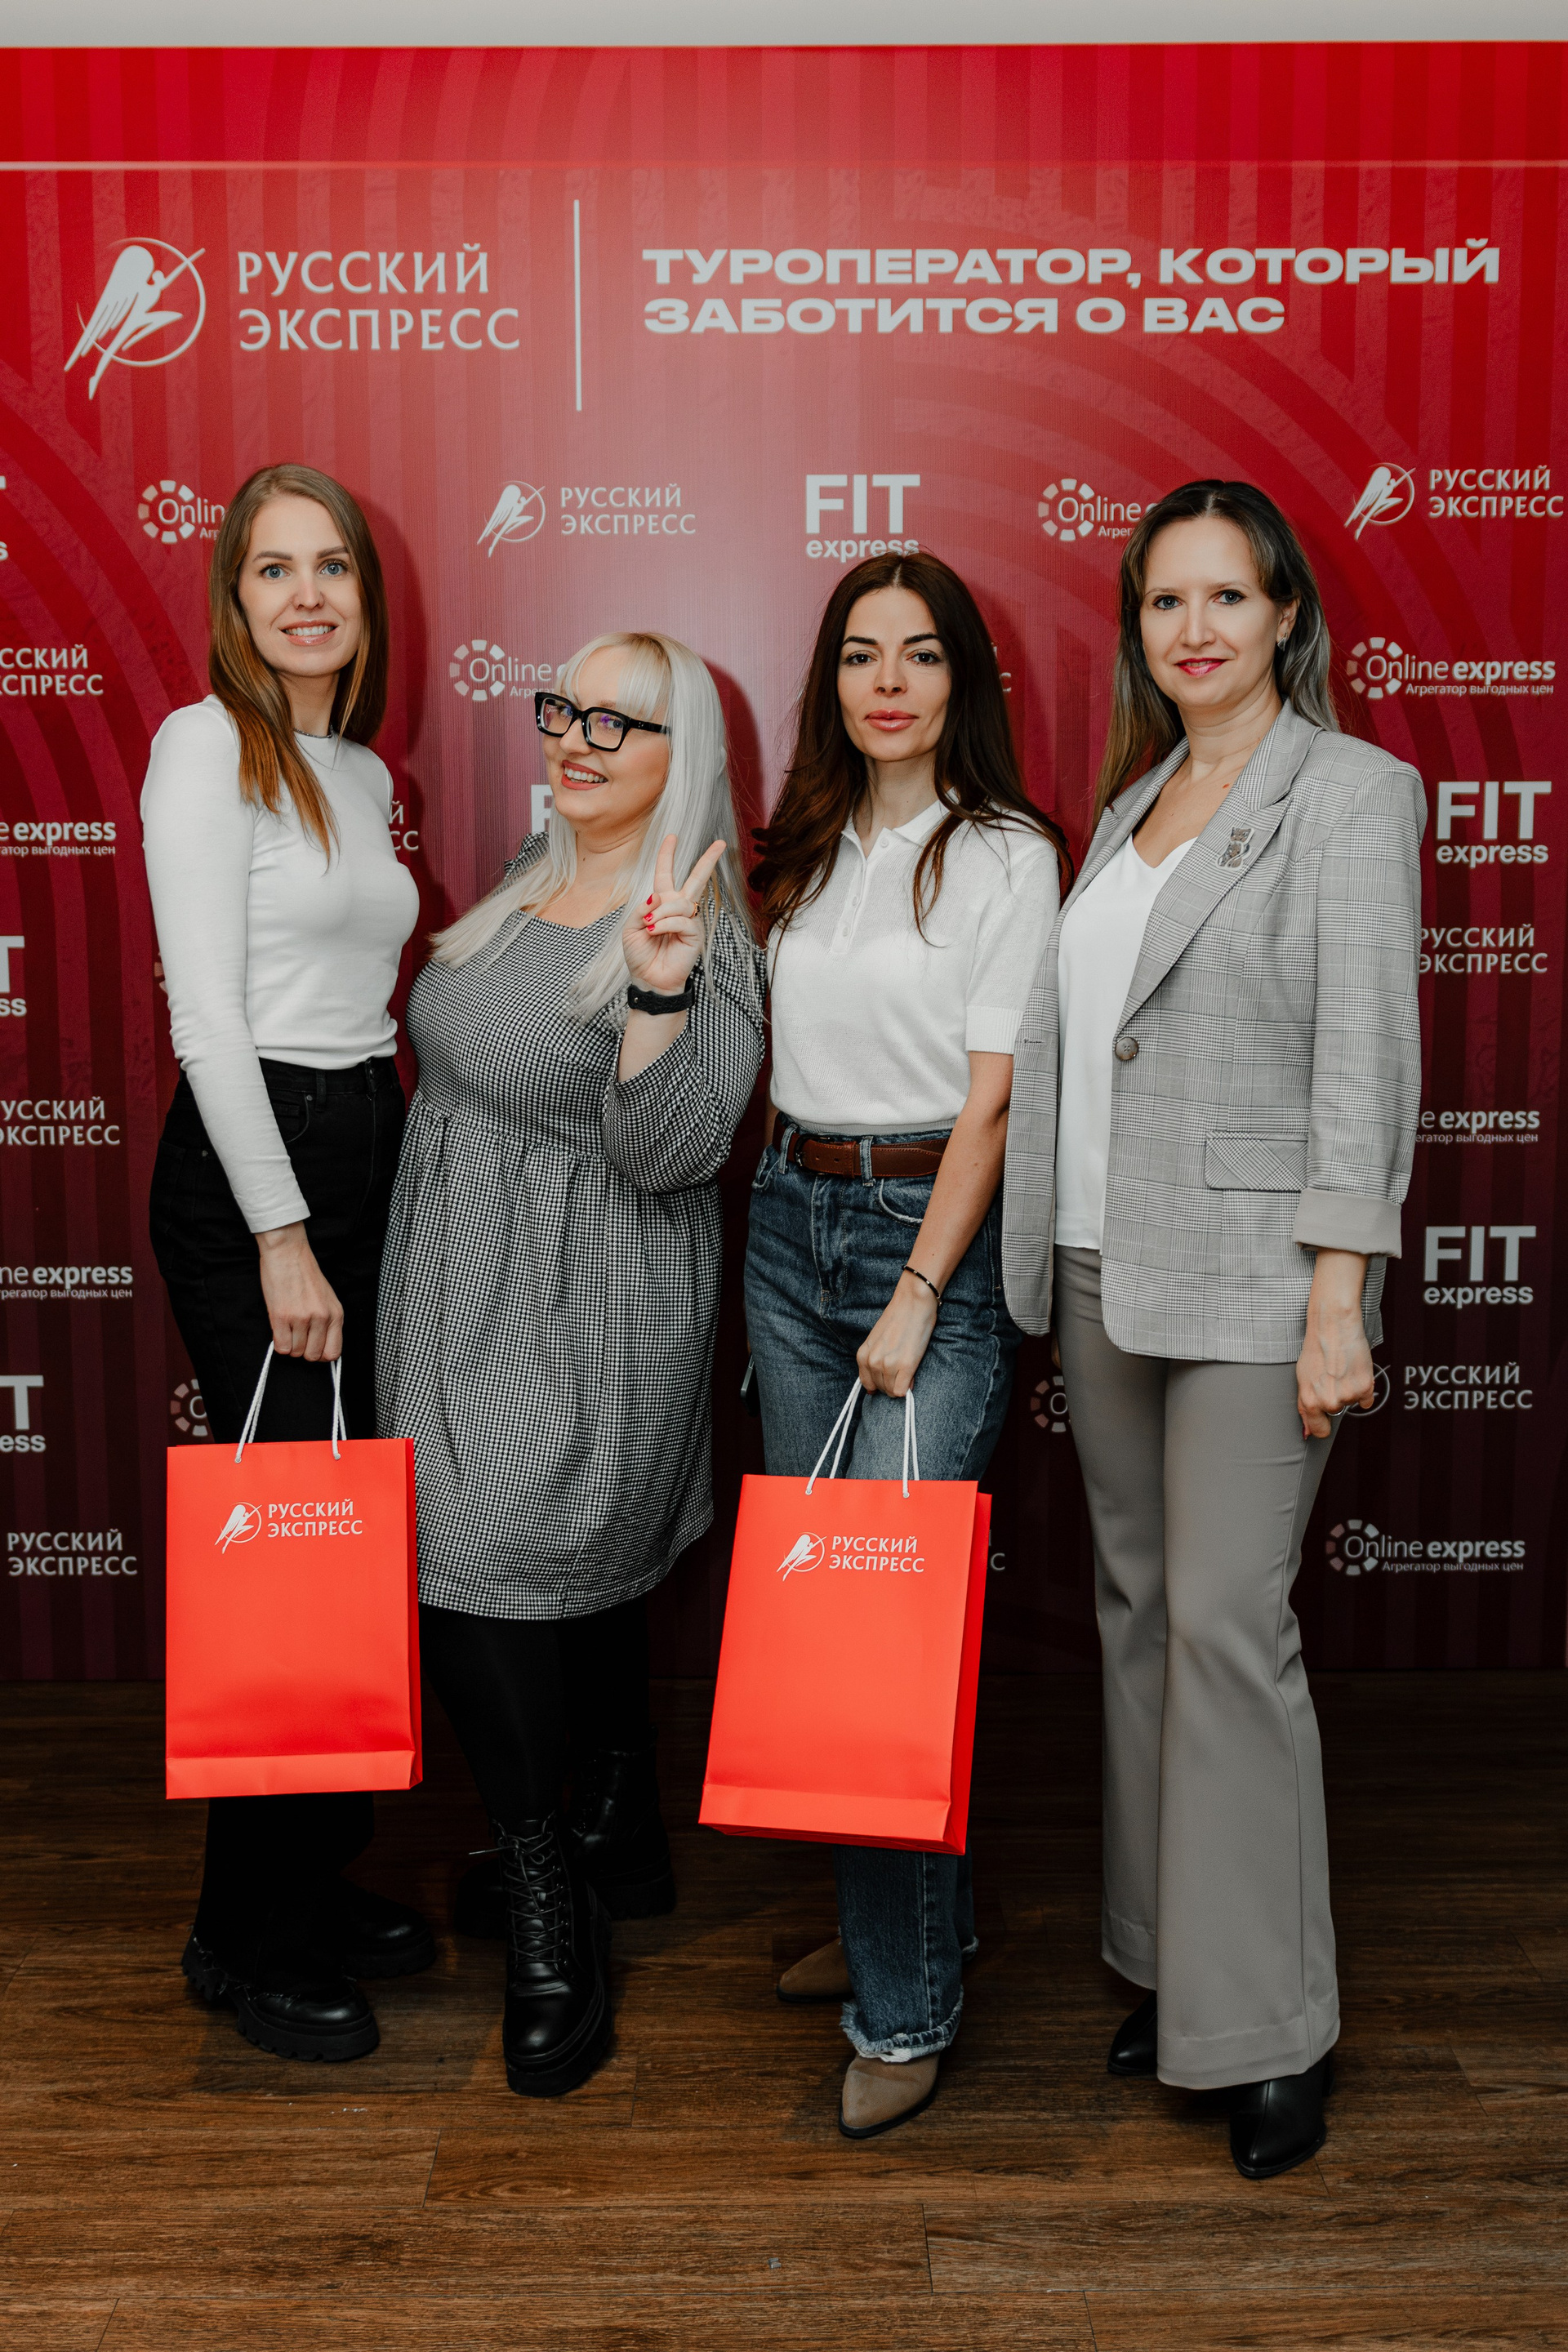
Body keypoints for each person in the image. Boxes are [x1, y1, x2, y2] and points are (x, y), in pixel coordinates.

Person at [1002, 479, 1425, 2180]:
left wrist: (1340, 1293)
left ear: (1285, 616)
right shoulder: (1133, 804)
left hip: (1261, 1280)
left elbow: (1365, 1057)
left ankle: (1268, 2032)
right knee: (1139, 1615)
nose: (1193, 630)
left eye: (1226, 598)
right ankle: (1173, 1965)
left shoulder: (1352, 791)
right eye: (1165, 601)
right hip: (1104, 1263)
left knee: (1230, 1632)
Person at [376, 632, 764, 2098]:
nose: (579, 739)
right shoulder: (525, 881)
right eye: (567, 710)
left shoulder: (700, 927)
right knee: (506, 1567)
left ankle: (551, 1896)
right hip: (451, 1286)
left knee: (492, 1562)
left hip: (587, 1305)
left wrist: (658, 994)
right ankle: (619, 1833)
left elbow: (674, 1156)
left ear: (684, 755)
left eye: (623, 722)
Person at [745, 550, 1068, 2140]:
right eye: (863, 654)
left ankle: (905, 2006)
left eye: (922, 653)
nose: (890, 681)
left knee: (892, 1631)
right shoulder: (805, 845)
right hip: (784, 1219)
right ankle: (902, 1927)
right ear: (833, 681)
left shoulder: (1007, 853)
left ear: (963, 681)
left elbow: (995, 1103)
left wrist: (925, 1290)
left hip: (920, 1234)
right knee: (833, 1619)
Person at [144, 462, 432, 2062]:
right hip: (260, 1167)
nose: (308, 594)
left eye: (333, 566)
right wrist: (279, 1236)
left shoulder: (361, 767)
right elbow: (209, 1018)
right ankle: (247, 1944)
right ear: (234, 598)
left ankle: (293, 1881)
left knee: (337, 1548)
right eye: (275, 569)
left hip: (366, 1138)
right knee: (285, 1563)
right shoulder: (205, 748)